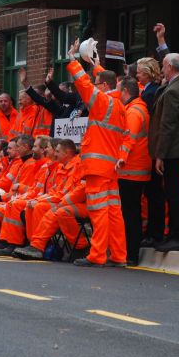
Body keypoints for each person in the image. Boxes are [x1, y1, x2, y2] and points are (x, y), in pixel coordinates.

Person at [67, 38, 127, 267]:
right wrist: (96, 64)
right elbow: (106, 81)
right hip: (110, 168)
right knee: (113, 212)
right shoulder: (118, 105)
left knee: (99, 212)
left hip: (97, 169)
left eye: (97, 81)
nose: (94, 82)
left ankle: (98, 255)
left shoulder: (102, 102)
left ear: (102, 86)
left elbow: (83, 85)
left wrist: (73, 61)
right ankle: (119, 255)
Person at [149, 53, 179, 252]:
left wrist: (159, 155)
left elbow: (167, 126)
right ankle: (176, 234)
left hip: (174, 148)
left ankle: (177, 236)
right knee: (174, 191)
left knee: (173, 193)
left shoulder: (173, 92)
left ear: (169, 67)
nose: (162, 69)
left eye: (163, 66)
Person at [115, 76, 152, 265]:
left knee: (129, 214)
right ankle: (129, 253)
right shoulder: (137, 109)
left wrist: (120, 158)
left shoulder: (133, 112)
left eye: (118, 90)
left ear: (125, 92)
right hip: (134, 169)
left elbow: (128, 138)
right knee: (132, 213)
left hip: (131, 170)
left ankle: (130, 254)